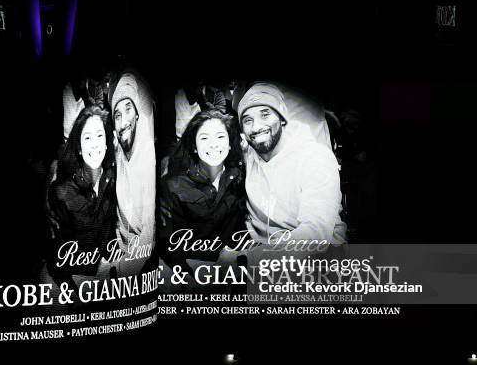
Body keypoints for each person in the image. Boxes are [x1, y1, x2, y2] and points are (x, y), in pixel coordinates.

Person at [236, 82, 346, 253]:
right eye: (248, 120)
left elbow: (315, 233)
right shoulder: (247, 153)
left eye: (265, 115)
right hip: (259, 256)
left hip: (317, 261)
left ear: (282, 119)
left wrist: (246, 260)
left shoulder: (315, 157)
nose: (256, 127)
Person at [159, 109, 247, 274]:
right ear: (194, 146)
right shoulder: (172, 186)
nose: (214, 144)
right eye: (205, 138)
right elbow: (170, 244)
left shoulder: (241, 178)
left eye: (220, 136)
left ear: (229, 144)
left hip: (235, 273)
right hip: (193, 275)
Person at [47, 105, 117, 280]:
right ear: (78, 147)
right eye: (87, 138)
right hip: (71, 278)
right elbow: (59, 254)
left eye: (100, 136)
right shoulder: (61, 192)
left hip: (105, 274)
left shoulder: (115, 181)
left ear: (108, 143)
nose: (95, 145)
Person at [110, 72, 156, 276]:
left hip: (139, 263)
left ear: (137, 115)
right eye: (117, 115)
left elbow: (148, 234)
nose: (123, 121)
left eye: (128, 109)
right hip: (117, 253)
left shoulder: (148, 160)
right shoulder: (116, 153)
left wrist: (121, 272)